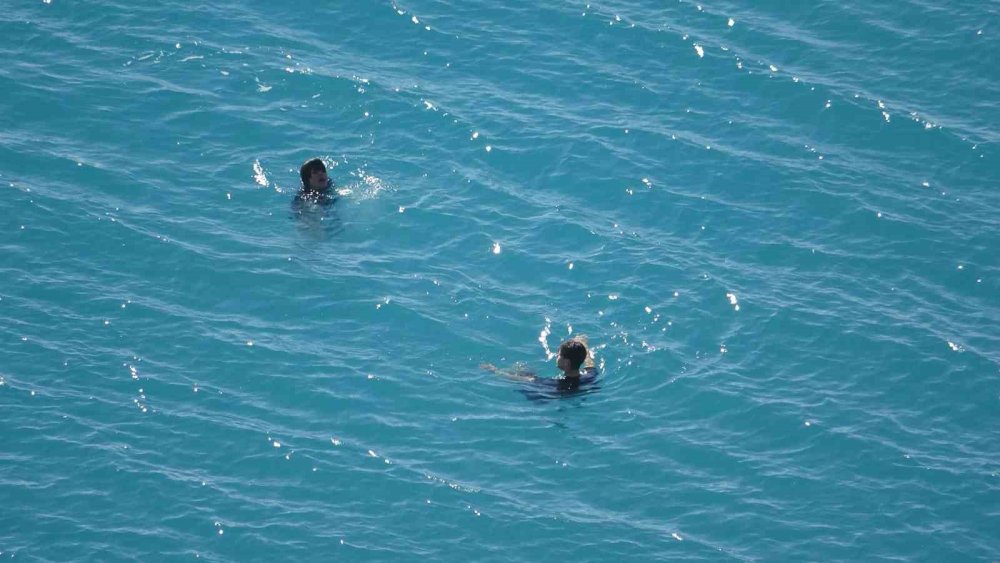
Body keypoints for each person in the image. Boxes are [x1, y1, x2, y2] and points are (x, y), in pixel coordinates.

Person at [481, 336, 598, 392]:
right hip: (571, 393)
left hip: (546, 397)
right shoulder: (590, 376)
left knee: (526, 373)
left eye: (559, 355)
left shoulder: (554, 385)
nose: (556, 356)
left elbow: (515, 379)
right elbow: (589, 361)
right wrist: (582, 343)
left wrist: (494, 370)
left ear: (566, 363)